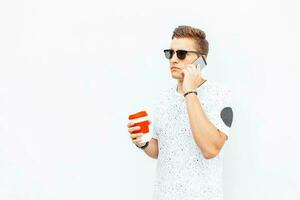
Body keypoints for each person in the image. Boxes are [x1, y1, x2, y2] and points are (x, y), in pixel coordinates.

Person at [127, 25, 234, 200]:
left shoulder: (220, 94)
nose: (173, 60)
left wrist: (189, 92)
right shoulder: (163, 99)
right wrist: (143, 142)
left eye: (182, 54)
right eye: (170, 53)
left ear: (202, 60)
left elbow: (210, 149)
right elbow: (162, 151)